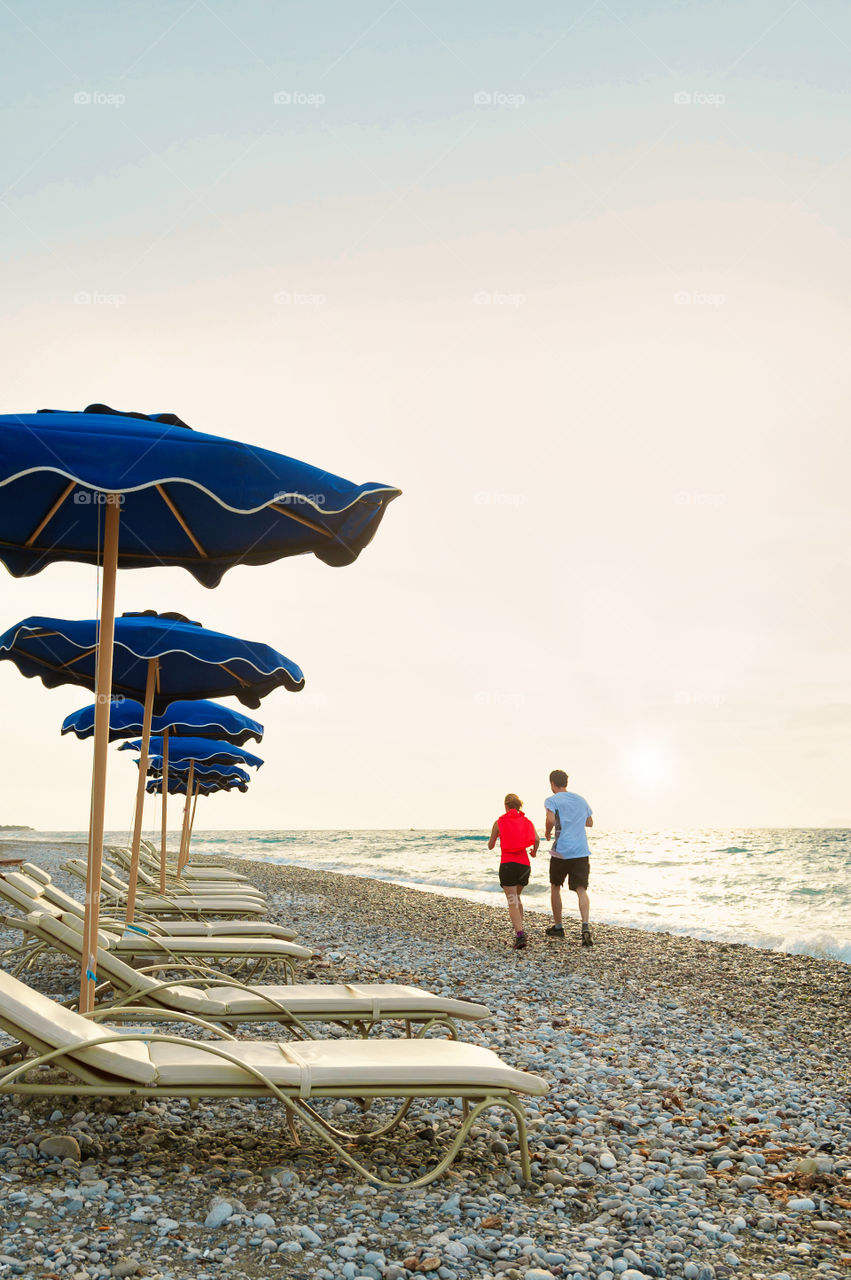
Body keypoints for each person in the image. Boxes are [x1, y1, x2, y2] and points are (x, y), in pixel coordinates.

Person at [544, 769, 594, 945]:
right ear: (566, 782)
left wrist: (547, 832)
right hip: (581, 851)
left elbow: (550, 820)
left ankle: (558, 927)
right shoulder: (581, 800)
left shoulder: (552, 800)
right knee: (581, 889)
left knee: (555, 886)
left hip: (562, 851)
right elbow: (590, 822)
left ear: (552, 783)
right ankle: (585, 926)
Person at [488, 793, 539, 950]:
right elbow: (536, 839)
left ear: (506, 806)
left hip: (508, 865)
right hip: (524, 866)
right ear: (519, 806)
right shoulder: (527, 821)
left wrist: (496, 837)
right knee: (517, 898)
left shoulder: (499, 822)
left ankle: (520, 935)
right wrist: (534, 852)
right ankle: (520, 929)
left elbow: (491, 845)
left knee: (512, 902)